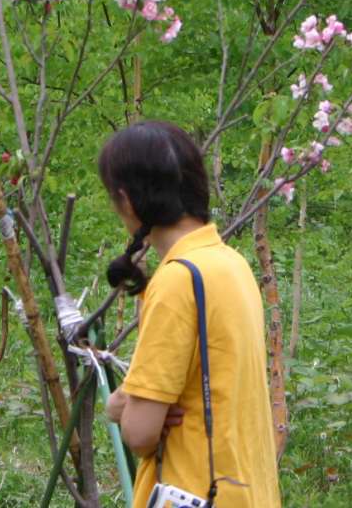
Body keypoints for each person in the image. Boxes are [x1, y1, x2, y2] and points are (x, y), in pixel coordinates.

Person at [101, 120, 281, 508]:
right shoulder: (230, 263)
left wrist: (120, 406)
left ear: (127, 201)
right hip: (247, 491)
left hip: (194, 491)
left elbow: (139, 432)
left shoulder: (177, 279)